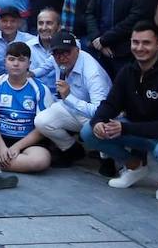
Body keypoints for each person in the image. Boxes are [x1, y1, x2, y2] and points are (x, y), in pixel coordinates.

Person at [82, 22, 158, 202]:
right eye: (135, 42)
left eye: (146, 43)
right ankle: (135, 167)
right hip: (142, 130)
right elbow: (111, 103)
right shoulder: (128, 70)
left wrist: (125, 128)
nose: (140, 48)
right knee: (89, 132)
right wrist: (98, 121)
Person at [0, 42, 52, 191]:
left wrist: (17, 147)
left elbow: (42, 128)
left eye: (21, 60)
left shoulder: (41, 89)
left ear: (29, 63)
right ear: (5, 62)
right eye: (12, 59)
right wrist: (1, 146)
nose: (16, 64)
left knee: (42, 160)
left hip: (27, 142)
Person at [33, 31, 110, 166]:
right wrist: (29, 74)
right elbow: (45, 68)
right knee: (41, 121)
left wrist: (69, 97)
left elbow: (100, 111)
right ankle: (72, 149)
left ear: (77, 50)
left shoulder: (93, 74)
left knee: (99, 127)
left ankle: (107, 156)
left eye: (66, 52)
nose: (62, 57)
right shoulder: (56, 58)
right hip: (70, 107)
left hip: (97, 116)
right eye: (57, 53)